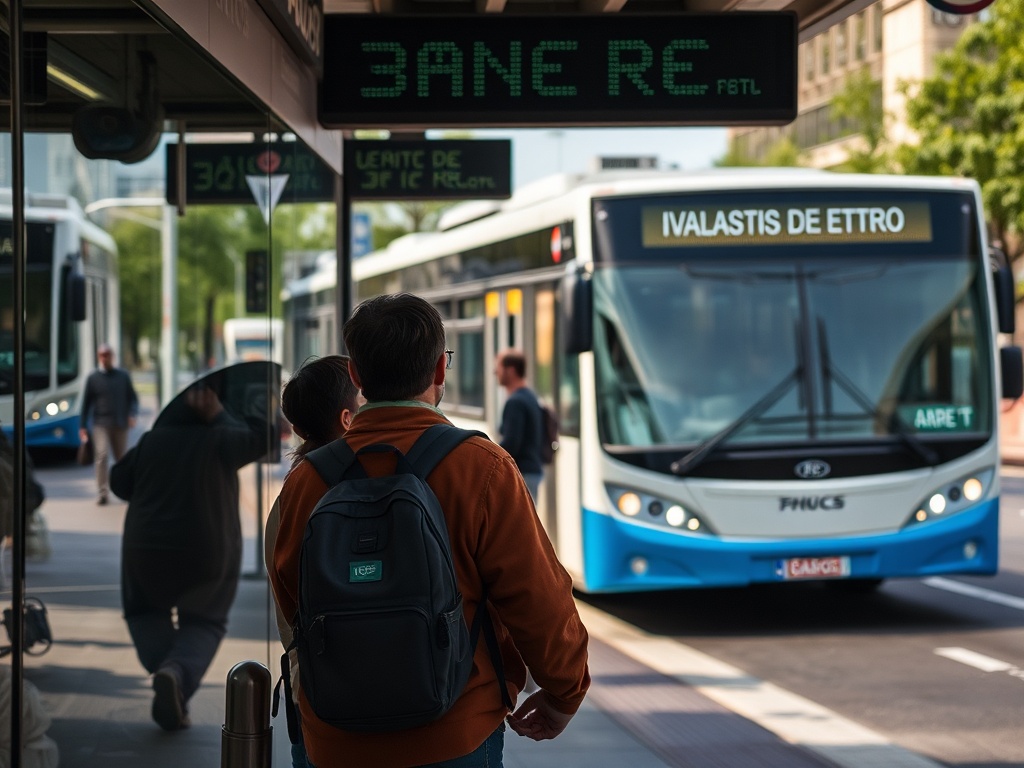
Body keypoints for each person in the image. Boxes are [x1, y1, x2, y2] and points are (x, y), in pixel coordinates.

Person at [270, 293, 590, 768]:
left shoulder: (307, 480)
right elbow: (538, 597)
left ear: (356, 377)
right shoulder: (480, 468)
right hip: (456, 733)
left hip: (336, 739)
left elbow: (292, 601)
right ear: (441, 370)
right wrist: (564, 693)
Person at [110, 381, 269, 732]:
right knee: (204, 621)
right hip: (207, 550)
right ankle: (177, 674)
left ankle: (169, 672)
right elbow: (263, 438)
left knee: (145, 612)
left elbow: (118, 482)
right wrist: (220, 416)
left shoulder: (152, 442)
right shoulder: (221, 439)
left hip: (146, 548)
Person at [265, 355, 363, 768]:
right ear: (345, 419)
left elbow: (286, 594)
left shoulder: (295, 490)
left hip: (318, 695)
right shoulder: (391, 472)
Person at [79, 344, 139, 505]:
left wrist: (132, 414)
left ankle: (125, 490)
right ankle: (102, 492)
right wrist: (83, 426)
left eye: (107, 355)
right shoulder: (93, 378)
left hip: (120, 423)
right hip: (101, 423)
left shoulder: (123, 376)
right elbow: (86, 403)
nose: (105, 358)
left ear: (112, 356)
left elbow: (132, 398)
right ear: (99, 357)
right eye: (102, 355)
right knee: (102, 455)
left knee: (122, 459)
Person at [494, 349, 545, 501]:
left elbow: (511, 443)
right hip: (532, 472)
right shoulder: (530, 396)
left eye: (498, 368)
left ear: (510, 370)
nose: (495, 372)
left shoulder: (515, 402)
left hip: (522, 474)